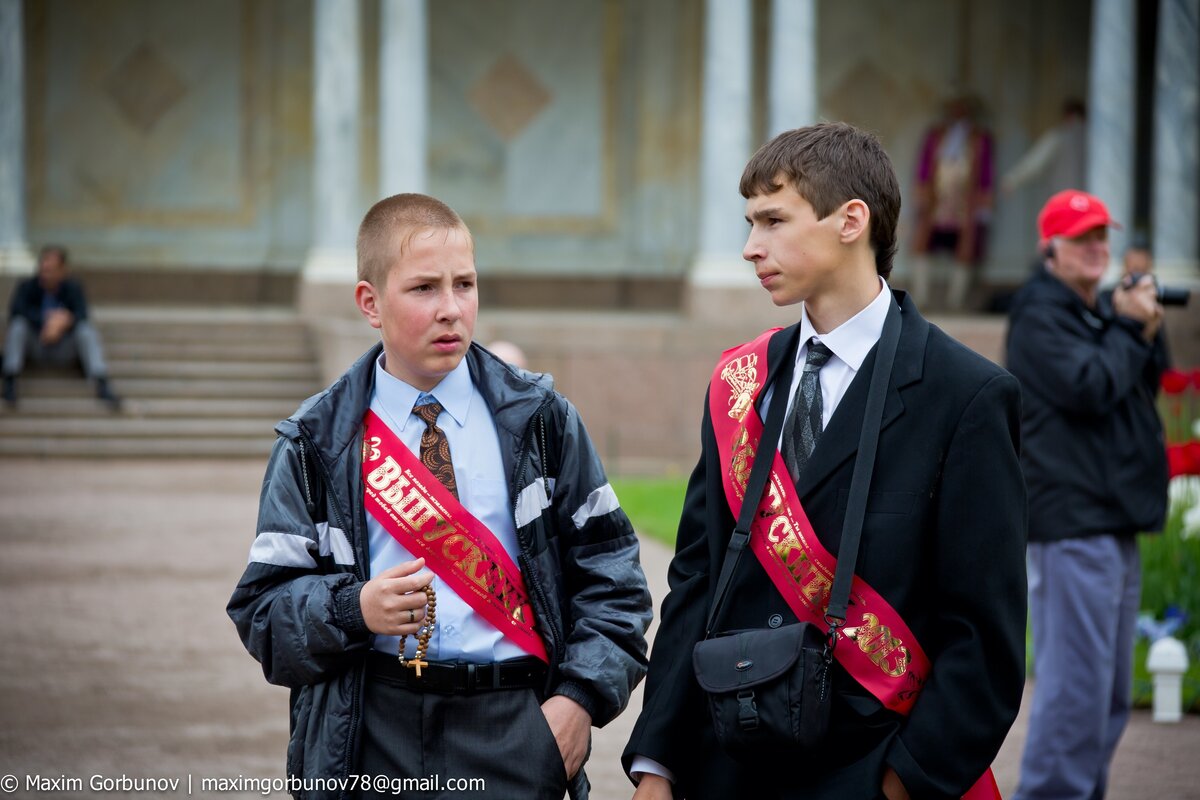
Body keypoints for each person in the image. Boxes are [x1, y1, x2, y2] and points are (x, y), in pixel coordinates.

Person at [623, 122, 1027, 800]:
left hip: (874, 768)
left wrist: (897, 784)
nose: (752, 247)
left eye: (773, 221)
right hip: (730, 768)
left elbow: (983, 640)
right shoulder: (739, 383)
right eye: (751, 223)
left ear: (851, 221)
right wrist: (656, 766)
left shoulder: (967, 397)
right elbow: (695, 585)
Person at [228, 193, 652, 800]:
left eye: (465, 285)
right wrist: (354, 609)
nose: (451, 309)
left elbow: (615, 579)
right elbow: (263, 614)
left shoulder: (541, 420)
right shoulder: (316, 441)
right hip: (370, 732)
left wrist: (578, 701)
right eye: (424, 288)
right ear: (369, 303)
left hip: (516, 725)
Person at [1006, 190, 1169, 800]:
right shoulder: (1039, 314)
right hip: (1072, 526)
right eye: (1081, 238)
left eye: (1103, 236)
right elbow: (1091, 385)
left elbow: (1139, 380)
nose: (1097, 249)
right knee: (1075, 690)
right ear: (1051, 248)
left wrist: (1144, 326)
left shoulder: (1096, 311)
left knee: (1107, 696)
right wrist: (1129, 326)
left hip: (1111, 522)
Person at [2, 245, 120, 408]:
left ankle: (101, 381)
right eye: (43, 268)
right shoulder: (27, 286)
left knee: (86, 331)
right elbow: (16, 311)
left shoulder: (73, 288)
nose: (45, 273)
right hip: (37, 343)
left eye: (50, 269)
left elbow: (82, 313)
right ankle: (10, 379)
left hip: (64, 347)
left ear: (62, 270)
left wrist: (64, 321)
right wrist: (47, 320)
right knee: (18, 326)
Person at [910, 95, 995, 310]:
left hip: (965, 202)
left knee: (964, 249)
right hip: (936, 199)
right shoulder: (937, 134)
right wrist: (920, 192)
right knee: (923, 244)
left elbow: (986, 169)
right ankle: (921, 297)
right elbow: (924, 164)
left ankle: (956, 300)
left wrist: (984, 199)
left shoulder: (980, 137)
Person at [1000, 99, 1087, 199]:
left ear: (1069, 116)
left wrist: (1012, 179)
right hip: (1087, 200)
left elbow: (1035, 161)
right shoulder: (1094, 141)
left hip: (1063, 199)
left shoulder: (1059, 137)